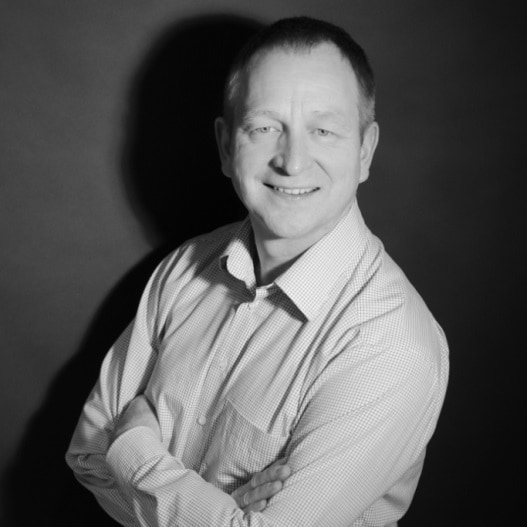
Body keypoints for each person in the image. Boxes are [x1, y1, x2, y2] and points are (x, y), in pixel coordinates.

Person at [66, 16, 449, 526]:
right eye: (265, 127)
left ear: (365, 151)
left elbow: (114, 452)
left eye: (323, 130)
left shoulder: (390, 345)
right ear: (227, 147)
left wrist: (135, 446)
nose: (292, 161)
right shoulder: (184, 269)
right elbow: (90, 457)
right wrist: (217, 512)